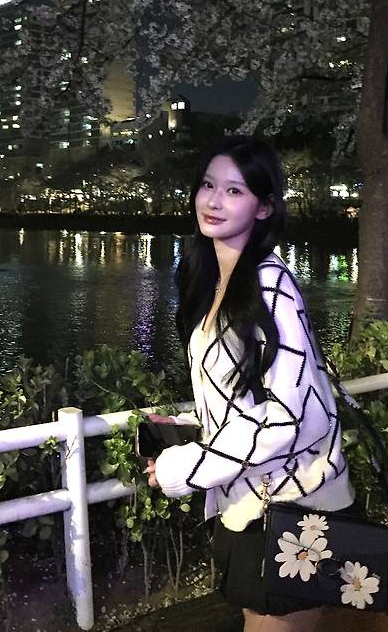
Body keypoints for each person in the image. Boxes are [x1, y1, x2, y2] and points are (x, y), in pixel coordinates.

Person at [146, 136, 354, 631]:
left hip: (295, 508)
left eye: (235, 191)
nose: (214, 201)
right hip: (246, 504)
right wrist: (188, 425)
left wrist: (184, 467)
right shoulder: (211, 280)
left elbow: (288, 418)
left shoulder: (271, 284)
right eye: (208, 185)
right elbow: (245, 395)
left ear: (264, 207)